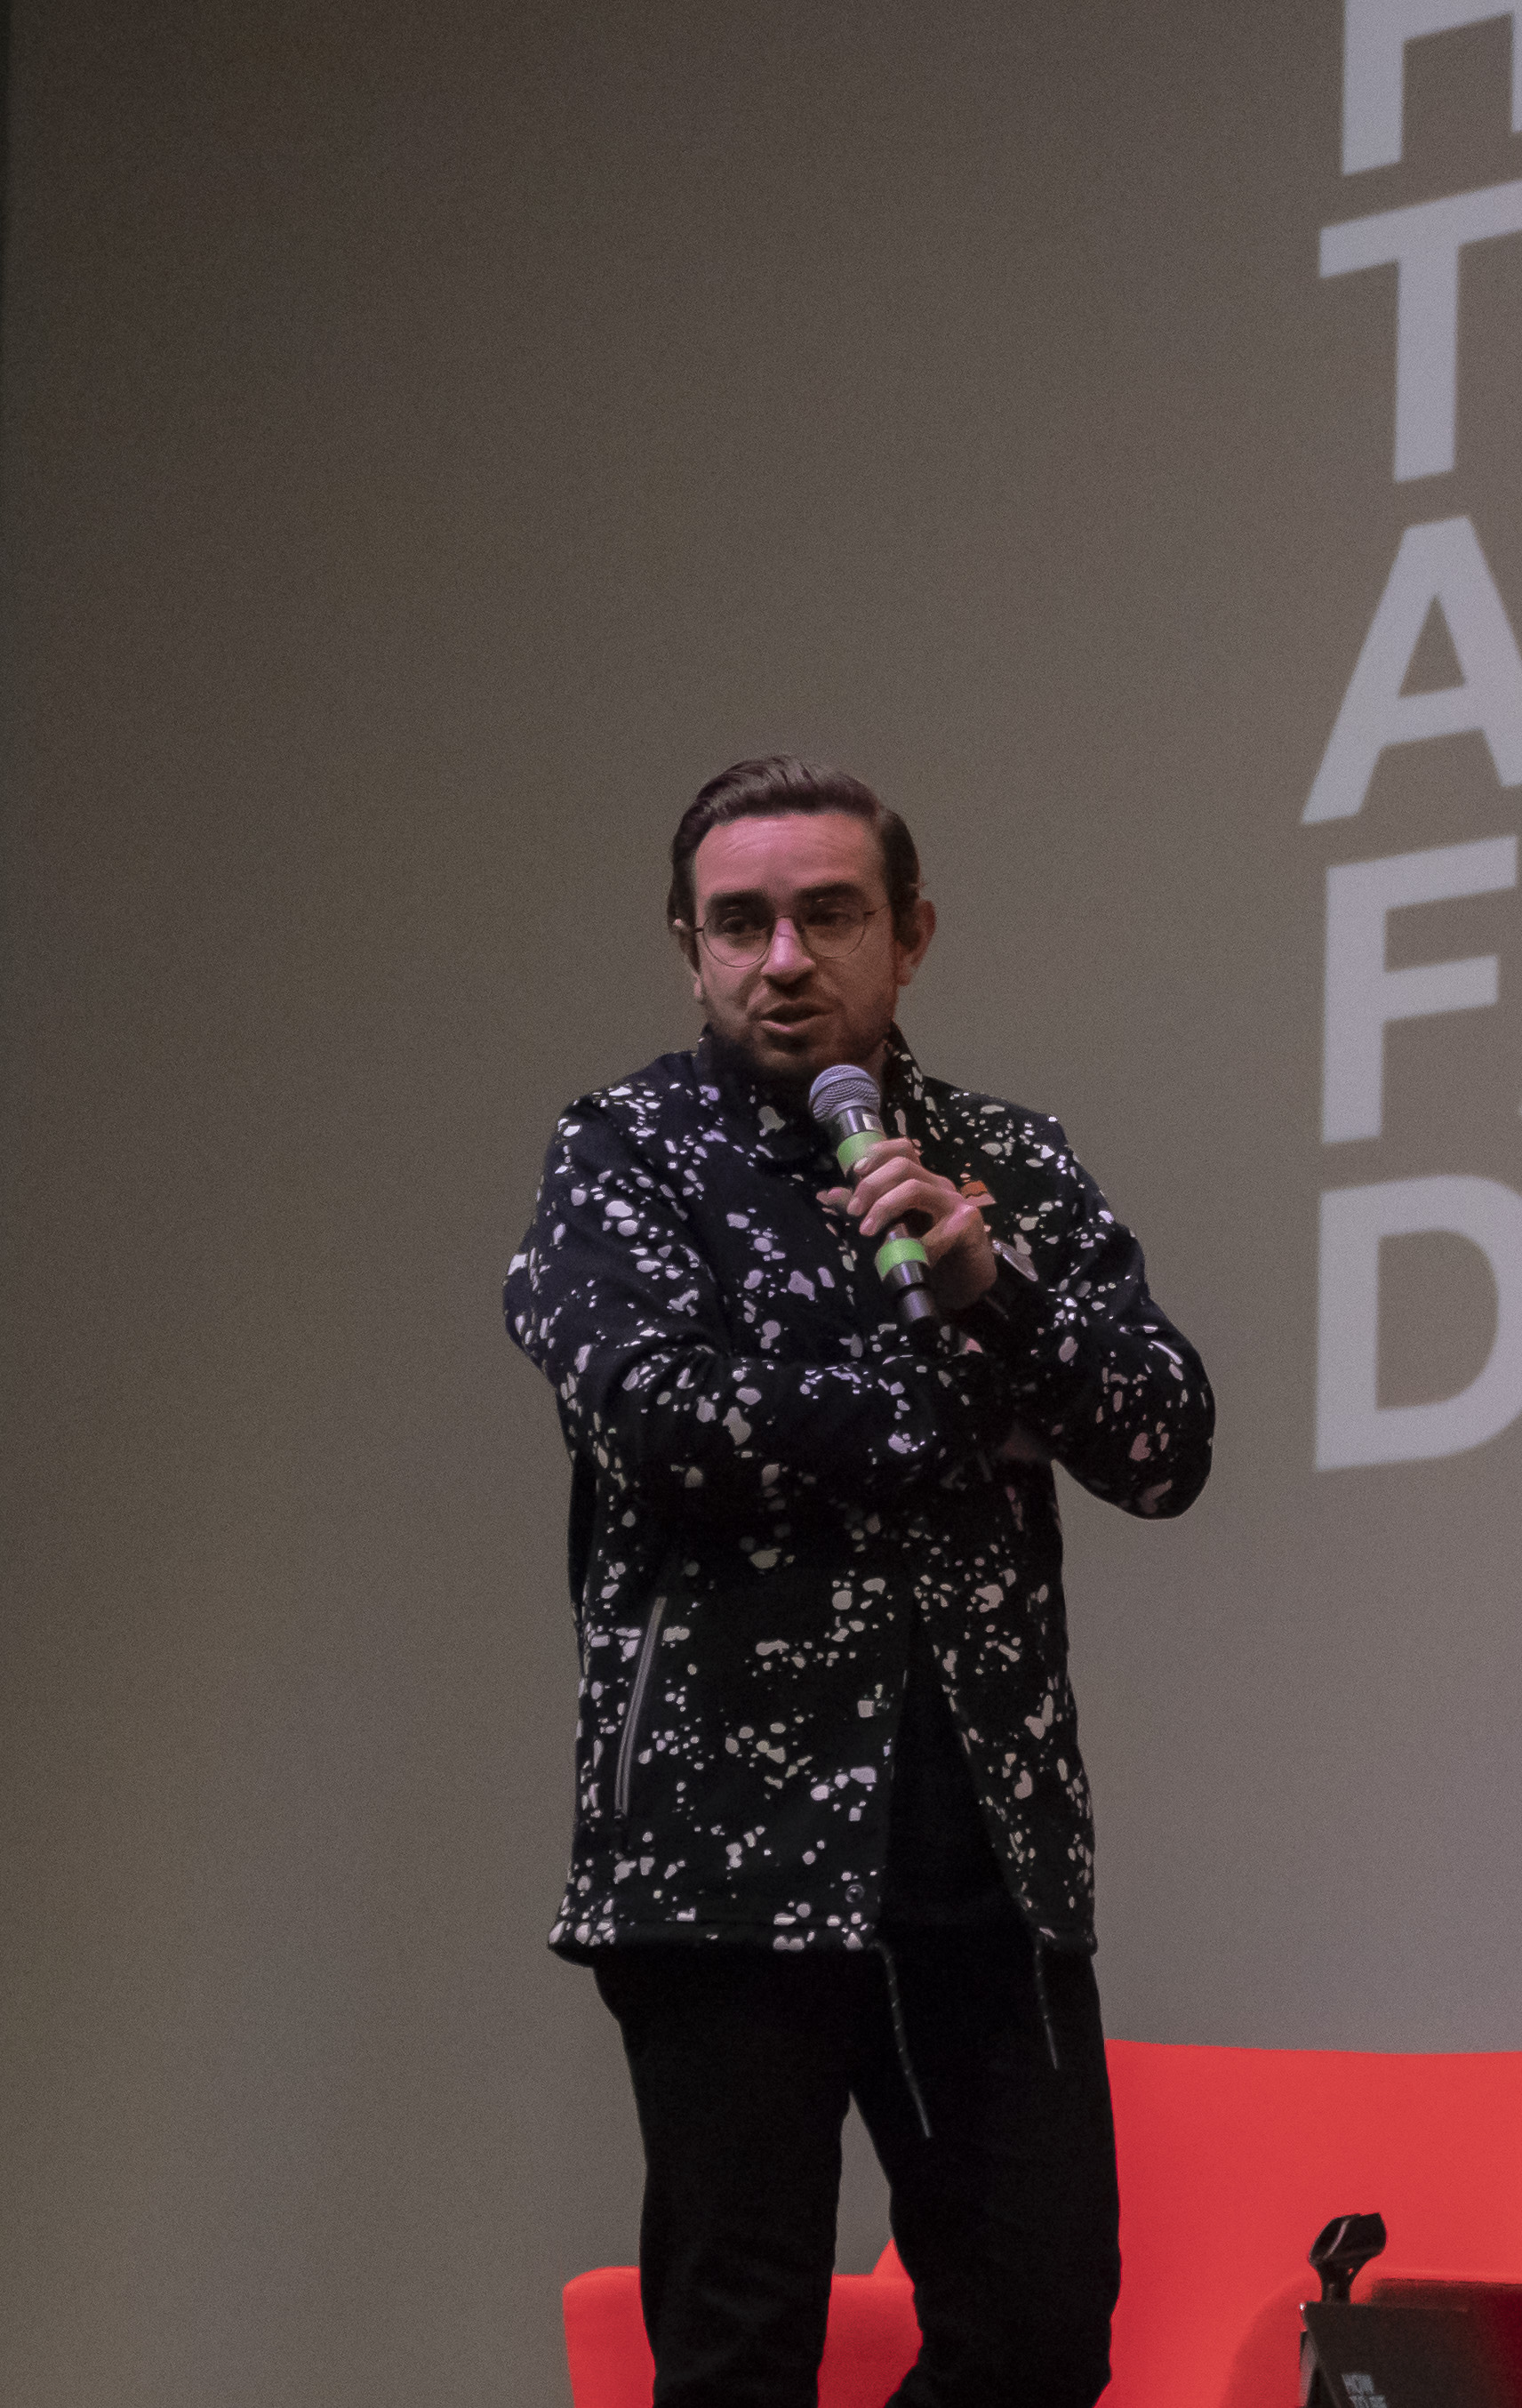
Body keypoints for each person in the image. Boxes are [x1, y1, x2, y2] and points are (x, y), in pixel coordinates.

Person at [506, 756, 1216, 2408]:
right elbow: (659, 1419)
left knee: (1041, 2330)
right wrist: (964, 1395)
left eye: (828, 913)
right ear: (688, 949)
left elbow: (1166, 1443)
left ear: (911, 936)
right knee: (739, 2344)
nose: (783, 958)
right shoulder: (626, 1151)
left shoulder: (1007, 1159)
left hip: (984, 1844)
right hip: (721, 1847)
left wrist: (997, 1293)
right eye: (738, 922)